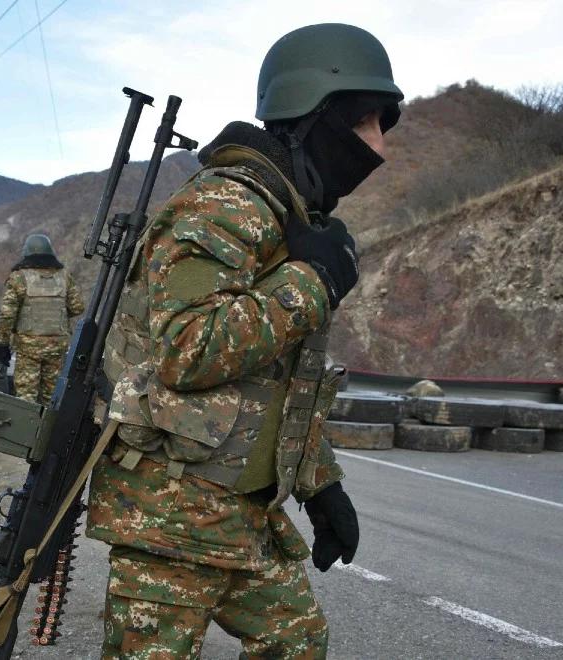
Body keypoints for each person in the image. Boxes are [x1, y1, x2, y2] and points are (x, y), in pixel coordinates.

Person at [85, 23, 403, 658]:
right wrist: (310, 281)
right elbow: (187, 348)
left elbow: (279, 381)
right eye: (366, 123)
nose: (379, 148)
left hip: (237, 511)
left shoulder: (289, 216)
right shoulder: (225, 204)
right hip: (172, 517)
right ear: (314, 115)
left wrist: (321, 485)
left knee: (297, 643)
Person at [0, 233, 85, 405]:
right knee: (51, 397)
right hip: (57, 346)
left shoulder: (19, 278)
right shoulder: (64, 276)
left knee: (26, 397)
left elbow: (7, 315)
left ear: (27, 252)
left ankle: (26, 431)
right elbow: (78, 307)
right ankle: (48, 430)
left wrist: (2, 343)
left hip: (28, 348)